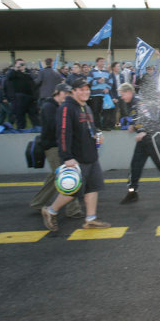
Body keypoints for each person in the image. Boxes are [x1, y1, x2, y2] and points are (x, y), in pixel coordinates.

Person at [40, 78, 111, 231]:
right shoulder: (67, 108)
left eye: (87, 89)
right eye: (81, 89)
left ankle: (90, 219)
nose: (85, 92)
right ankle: (50, 211)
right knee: (73, 190)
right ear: (73, 91)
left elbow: (91, 128)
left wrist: (98, 134)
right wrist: (67, 157)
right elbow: (63, 133)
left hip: (91, 155)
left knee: (93, 187)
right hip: (77, 157)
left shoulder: (86, 107)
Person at [118, 82, 160, 203]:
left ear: (129, 92)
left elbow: (151, 118)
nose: (122, 97)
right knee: (135, 165)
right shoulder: (132, 104)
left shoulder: (139, 102)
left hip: (152, 137)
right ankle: (132, 192)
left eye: (123, 94)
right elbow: (140, 119)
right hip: (144, 139)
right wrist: (134, 126)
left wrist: (143, 131)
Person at [29, 83, 83, 217]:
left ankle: (38, 202)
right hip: (53, 147)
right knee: (68, 177)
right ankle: (73, 210)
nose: (68, 96)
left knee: (55, 176)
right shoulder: (49, 107)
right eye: (65, 93)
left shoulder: (56, 106)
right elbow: (56, 128)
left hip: (55, 146)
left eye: (69, 94)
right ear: (57, 92)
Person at [7, 59, 40, 130]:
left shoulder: (27, 74)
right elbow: (9, 76)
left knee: (34, 115)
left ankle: (37, 129)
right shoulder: (13, 73)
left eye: (23, 64)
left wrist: (35, 97)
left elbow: (33, 85)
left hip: (30, 98)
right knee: (20, 117)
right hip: (19, 98)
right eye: (20, 64)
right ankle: (21, 131)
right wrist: (16, 68)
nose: (22, 66)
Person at [87, 57, 113, 130]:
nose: (102, 63)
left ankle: (105, 126)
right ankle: (97, 126)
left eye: (103, 62)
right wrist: (97, 81)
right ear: (97, 62)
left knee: (105, 111)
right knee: (96, 111)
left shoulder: (107, 72)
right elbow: (88, 82)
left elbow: (110, 81)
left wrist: (107, 88)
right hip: (95, 95)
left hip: (104, 95)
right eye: (101, 61)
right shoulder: (91, 72)